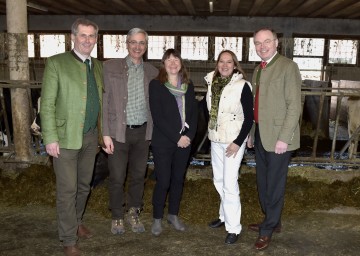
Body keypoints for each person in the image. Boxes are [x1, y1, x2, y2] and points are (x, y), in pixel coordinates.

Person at [40, 18, 103, 256]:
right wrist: (50, 137)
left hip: (89, 136)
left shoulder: (97, 66)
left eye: (92, 36)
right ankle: (67, 239)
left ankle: (76, 222)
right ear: (73, 37)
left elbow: (100, 101)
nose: (87, 40)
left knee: (84, 185)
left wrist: (102, 134)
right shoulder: (57, 63)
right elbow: (47, 104)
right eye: (83, 35)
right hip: (65, 137)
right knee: (67, 190)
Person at [247, 28, 302, 251]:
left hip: (279, 137)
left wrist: (284, 138)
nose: (262, 46)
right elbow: (254, 104)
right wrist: (251, 133)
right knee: (263, 182)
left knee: (275, 185)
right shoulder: (258, 70)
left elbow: (294, 106)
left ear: (276, 42)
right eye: (258, 43)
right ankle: (273, 219)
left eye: (266, 41)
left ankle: (267, 229)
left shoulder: (288, 67)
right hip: (261, 134)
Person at [102, 28, 158, 235]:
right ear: (126, 43)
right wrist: (105, 133)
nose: (137, 46)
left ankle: (134, 211)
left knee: (138, 175)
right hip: (118, 133)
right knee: (117, 176)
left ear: (146, 46)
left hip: (143, 133)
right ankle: (117, 215)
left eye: (141, 43)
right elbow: (104, 101)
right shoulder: (110, 67)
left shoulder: (152, 72)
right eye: (133, 42)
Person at [205, 50, 254, 244]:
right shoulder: (212, 84)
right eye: (221, 62)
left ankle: (233, 228)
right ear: (217, 64)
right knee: (218, 179)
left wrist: (238, 142)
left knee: (230, 183)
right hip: (216, 139)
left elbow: (249, 118)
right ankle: (224, 216)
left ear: (235, 65)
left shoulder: (242, 86)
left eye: (229, 62)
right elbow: (206, 109)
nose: (225, 65)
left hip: (233, 140)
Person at [149, 49, 198, 236]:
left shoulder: (188, 85)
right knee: (163, 180)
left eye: (175, 59)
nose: (172, 63)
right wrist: (177, 138)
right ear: (164, 64)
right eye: (168, 60)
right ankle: (157, 218)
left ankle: (173, 215)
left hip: (185, 142)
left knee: (178, 179)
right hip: (164, 141)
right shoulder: (156, 85)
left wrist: (189, 137)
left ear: (181, 63)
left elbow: (193, 114)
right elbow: (158, 117)